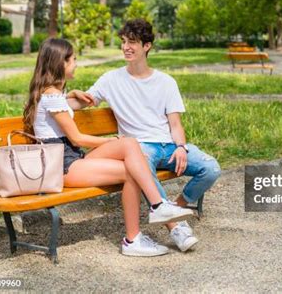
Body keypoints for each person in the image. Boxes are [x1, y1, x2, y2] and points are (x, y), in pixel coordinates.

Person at [23, 38, 194, 257]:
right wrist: (109, 141)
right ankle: (137, 234)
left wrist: (71, 94)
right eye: (73, 59)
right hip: (62, 168)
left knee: (130, 143)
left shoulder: (51, 94)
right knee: (131, 169)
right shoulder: (52, 96)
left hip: (71, 159)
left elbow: (57, 116)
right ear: (61, 63)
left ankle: (157, 208)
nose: (76, 64)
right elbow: (76, 138)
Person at [68, 19, 221, 252]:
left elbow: (176, 125)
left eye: (132, 42)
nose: (126, 47)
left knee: (211, 169)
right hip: (138, 148)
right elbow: (80, 103)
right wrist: (63, 96)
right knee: (140, 164)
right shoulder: (111, 79)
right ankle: (175, 226)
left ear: (147, 46)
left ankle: (173, 208)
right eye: (123, 42)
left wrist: (181, 147)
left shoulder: (166, 82)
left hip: (169, 146)